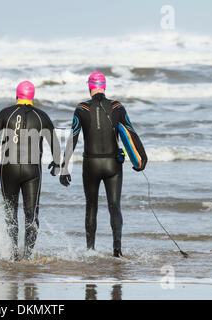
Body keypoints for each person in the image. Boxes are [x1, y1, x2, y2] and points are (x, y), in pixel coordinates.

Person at [60, 72, 147, 257]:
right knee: (114, 206)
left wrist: (64, 166)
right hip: (112, 164)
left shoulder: (81, 108)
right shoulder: (118, 107)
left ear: (89, 87)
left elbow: (73, 138)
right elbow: (131, 133)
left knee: (91, 206)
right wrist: (141, 159)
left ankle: (90, 250)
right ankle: (117, 251)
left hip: (91, 164)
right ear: (104, 86)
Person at [0, 81, 61, 261]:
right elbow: (54, 144)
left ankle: (12, 256)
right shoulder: (41, 116)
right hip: (32, 170)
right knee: (31, 215)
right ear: (32, 97)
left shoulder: (4, 113)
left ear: (17, 95)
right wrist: (57, 164)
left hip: (7, 170)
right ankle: (27, 257)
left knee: (10, 214)